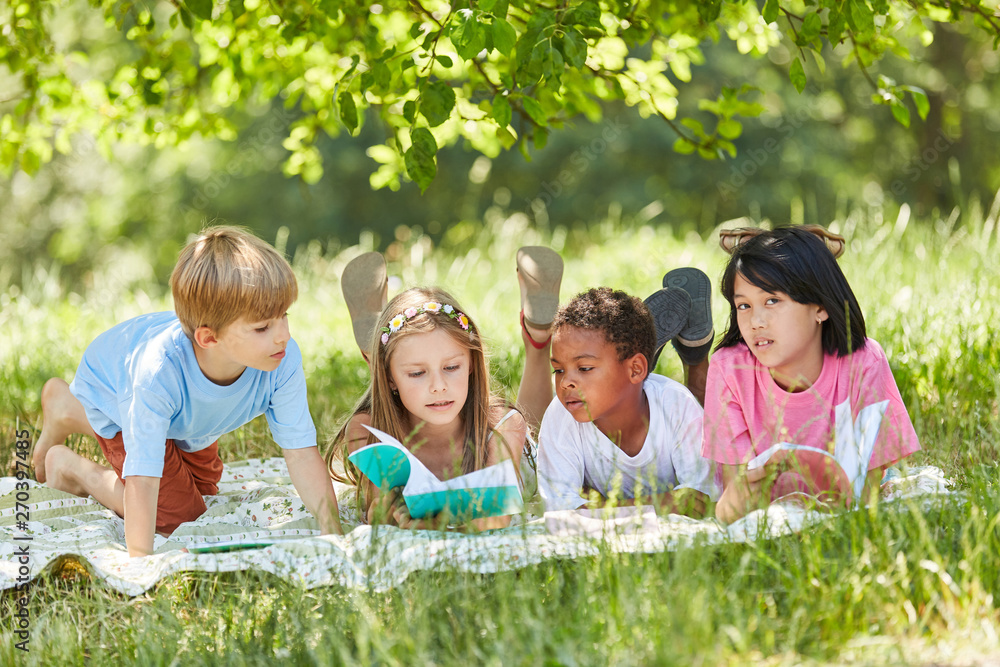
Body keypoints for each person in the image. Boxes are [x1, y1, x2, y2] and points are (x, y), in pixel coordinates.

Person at [31, 226, 343, 556]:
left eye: (284, 315)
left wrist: (331, 528)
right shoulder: (157, 375)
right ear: (209, 339)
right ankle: (70, 464)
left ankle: (65, 406)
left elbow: (300, 450)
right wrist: (141, 561)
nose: (282, 334)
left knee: (204, 492)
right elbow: (144, 477)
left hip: (185, 419)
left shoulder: (281, 356)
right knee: (177, 517)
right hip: (113, 383)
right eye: (263, 326)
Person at [704, 226, 920, 524]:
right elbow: (734, 501)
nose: (755, 321)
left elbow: (867, 496)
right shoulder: (729, 368)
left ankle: (804, 250)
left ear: (820, 307)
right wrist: (743, 492)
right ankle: (693, 348)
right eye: (744, 305)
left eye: (772, 301)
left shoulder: (863, 361)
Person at [329, 286, 528, 530]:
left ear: (471, 364)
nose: (438, 387)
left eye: (451, 367)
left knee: (537, 413)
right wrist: (386, 512)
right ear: (390, 378)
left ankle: (538, 338)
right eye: (417, 373)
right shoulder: (367, 429)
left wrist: (431, 526)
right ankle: (375, 342)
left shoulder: (503, 424)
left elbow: (496, 517)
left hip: (528, 445)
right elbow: (379, 515)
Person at [535, 287, 720, 516]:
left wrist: (599, 508)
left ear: (636, 369)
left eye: (584, 368)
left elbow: (703, 499)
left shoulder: (677, 405)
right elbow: (561, 513)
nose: (565, 383)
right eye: (558, 370)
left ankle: (696, 354)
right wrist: (663, 503)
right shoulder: (560, 416)